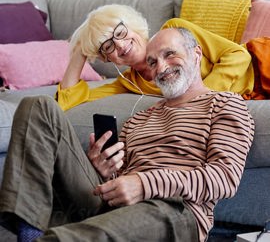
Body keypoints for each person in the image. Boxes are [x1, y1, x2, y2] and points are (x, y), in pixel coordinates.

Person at [0, 27, 254, 242]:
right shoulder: (139, 118)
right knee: (38, 105)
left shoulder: (224, 103)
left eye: (170, 54)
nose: (161, 67)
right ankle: (28, 232)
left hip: (174, 210)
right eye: (153, 62)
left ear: (196, 54)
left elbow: (224, 178)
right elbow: (120, 179)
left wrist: (144, 185)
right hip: (112, 205)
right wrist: (102, 169)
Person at [56, 4, 253, 111]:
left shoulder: (174, 30)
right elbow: (67, 102)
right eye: (108, 46)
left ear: (133, 25)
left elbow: (238, 54)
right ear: (107, 59)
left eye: (120, 32)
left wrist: (200, 97)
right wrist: (80, 51)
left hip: (260, 65)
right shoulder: (129, 83)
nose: (121, 45)